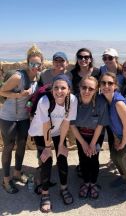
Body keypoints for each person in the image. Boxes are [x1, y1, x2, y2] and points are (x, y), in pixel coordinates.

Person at [28, 74, 77, 213]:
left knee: (62, 157)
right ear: (52, 89)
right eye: (56, 88)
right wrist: (48, 148)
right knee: (46, 161)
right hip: (40, 132)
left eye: (63, 88)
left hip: (58, 130)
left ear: (69, 90)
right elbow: (45, 125)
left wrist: (61, 144)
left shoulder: (72, 100)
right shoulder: (44, 101)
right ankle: (45, 194)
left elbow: (66, 122)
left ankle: (64, 188)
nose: (59, 91)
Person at [0, 45, 43, 194]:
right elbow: (2, 91)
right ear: (27, 63)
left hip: (23, 117)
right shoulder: (18, 76)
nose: (35, 67)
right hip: (8, 117)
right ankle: (6, 180)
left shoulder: (37, 79)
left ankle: (17, 173)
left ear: (41, 65)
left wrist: (30, 103)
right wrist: (19, 95)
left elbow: (31, 99)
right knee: (8, 146)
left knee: (22, 144)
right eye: (32, 63)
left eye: (38, 64)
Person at [71, 76, 108, 199]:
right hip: (80, 134)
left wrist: (92, 144)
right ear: (79, 87)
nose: (87, 91)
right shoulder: (73, 101)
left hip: (96, 135)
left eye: (91, 89)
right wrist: (83, 143)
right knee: (82, 157)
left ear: (96, 89)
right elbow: (72, 125)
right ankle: (86, 182)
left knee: (93, 158)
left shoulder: (101, 102)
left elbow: (100, 124)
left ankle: (93, 183)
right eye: (84, 87)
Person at [68, 48, 101, 177]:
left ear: (91, 59)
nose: (83, 59)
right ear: (77, 59)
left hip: (95, 114)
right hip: (80, 114)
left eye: (86, 57)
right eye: (80, 57)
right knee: (81, 146)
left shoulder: (98, 72)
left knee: (94, 148)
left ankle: (92, 176)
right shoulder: (72, 74)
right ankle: (83, 169)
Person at [100, 48, 124, 168]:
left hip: (121, 106)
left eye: (110, 58)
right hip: (108, 106)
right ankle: (113, 158)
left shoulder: (123, 71)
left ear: (116, 58)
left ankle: (122, 161)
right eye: (105, 58)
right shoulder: (102, 69)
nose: (107, 60)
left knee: (122, 134)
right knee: (110, 134)